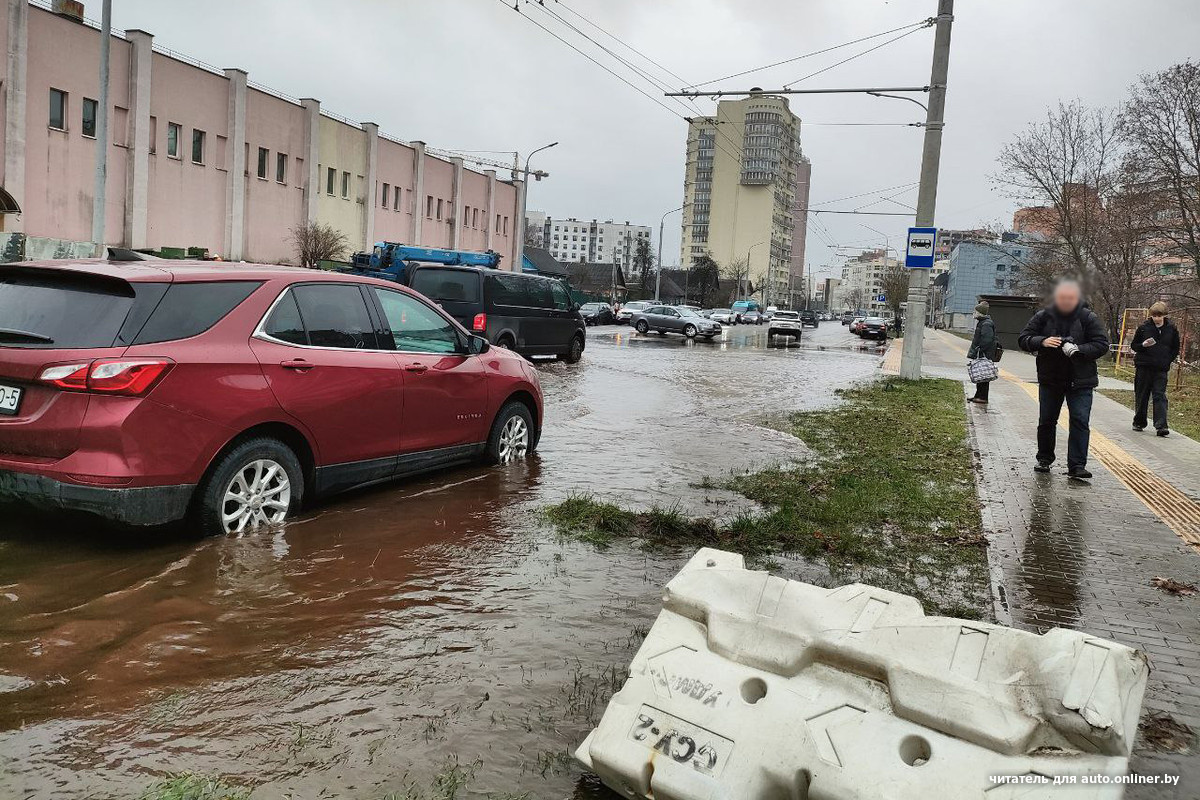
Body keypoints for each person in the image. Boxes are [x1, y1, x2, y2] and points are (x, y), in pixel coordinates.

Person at [1018, 280, 1110, 480]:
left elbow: (1102, 344)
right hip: (1051, 379)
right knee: (1047, 421)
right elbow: (1023, 338)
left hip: (1081, 380)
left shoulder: (1088, 317)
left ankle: (1077, 465)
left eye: (1070, 298)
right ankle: (1044, 459)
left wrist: (1079, 350)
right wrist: (1042, 341)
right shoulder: (1043, 317)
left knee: (1079, 421)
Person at [1130, 301, 1180, 436]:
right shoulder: (1143, 328)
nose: (1157, 318)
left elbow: (1175, 348)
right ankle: (1139, 421)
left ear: (1165, 315)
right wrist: (1143, 345)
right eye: (1154, 316)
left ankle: (1161, 425)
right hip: (1144, 366)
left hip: (1161, 368)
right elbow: (1134, 345)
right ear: (1151, 315)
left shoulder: (1172, 329)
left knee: (1160, 396)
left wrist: (1167, 360)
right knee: (1142, 395)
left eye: (1159, 316)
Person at [967, 301, 998, 404]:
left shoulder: (986, 324)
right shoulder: (983, 322)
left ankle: (983, 397)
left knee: (984, 376)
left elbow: (987, 339)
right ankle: (978, 395)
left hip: (984, 354)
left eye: (975, 311)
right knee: (980, 375)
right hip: (982, 353)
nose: (973, 313)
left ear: (980, 312)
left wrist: (979, 349)